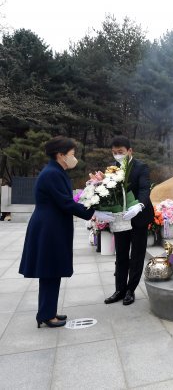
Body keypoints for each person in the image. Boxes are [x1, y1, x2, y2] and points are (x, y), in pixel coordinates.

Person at [19, 136, 114, 328]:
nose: (74, 157)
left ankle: (48, 311)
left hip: (52, 225)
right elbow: (66, 202)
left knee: (52, 270)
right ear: (60, 155)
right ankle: (46, 315)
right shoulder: (52, 173)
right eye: (72, 154)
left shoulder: (56, 171)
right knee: (49, 270)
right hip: (49, 227)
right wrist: (94, 213)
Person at [104, 136, 154, 306]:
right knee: (121, 253)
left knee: (137, 255)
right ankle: (119, 289)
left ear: (130, 151)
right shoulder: (113, 169)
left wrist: (139, 205)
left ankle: (131, 290)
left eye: (121, 152)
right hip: (121, 218)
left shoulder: (141, 167)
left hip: (138, 216)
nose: (117, 155)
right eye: (114, 152)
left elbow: (144, 188)